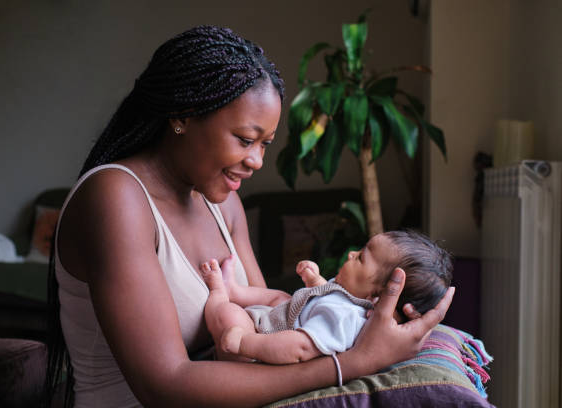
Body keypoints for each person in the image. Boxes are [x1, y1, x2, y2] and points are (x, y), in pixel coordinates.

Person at [44, 25, 455, 408]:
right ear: (182, 116)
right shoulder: (115, 198)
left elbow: (271, 326)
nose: (257, 161)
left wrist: (372, 324)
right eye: (245, 140)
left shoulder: (222, 202)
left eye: (266, 144)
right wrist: (353, 364)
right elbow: (165, 386)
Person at [200, 230, 453, 364]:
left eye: (362, 257)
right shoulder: (350, 299)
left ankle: (220, 295)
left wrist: (246, 342)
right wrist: (315, 281)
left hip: (263, 350)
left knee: (228, 314)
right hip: (284, 317)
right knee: (280, 296)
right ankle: (236, 290)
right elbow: (327, 298)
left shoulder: (343, 319)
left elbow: (299, 348)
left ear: (376, 298)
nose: (352, 253)